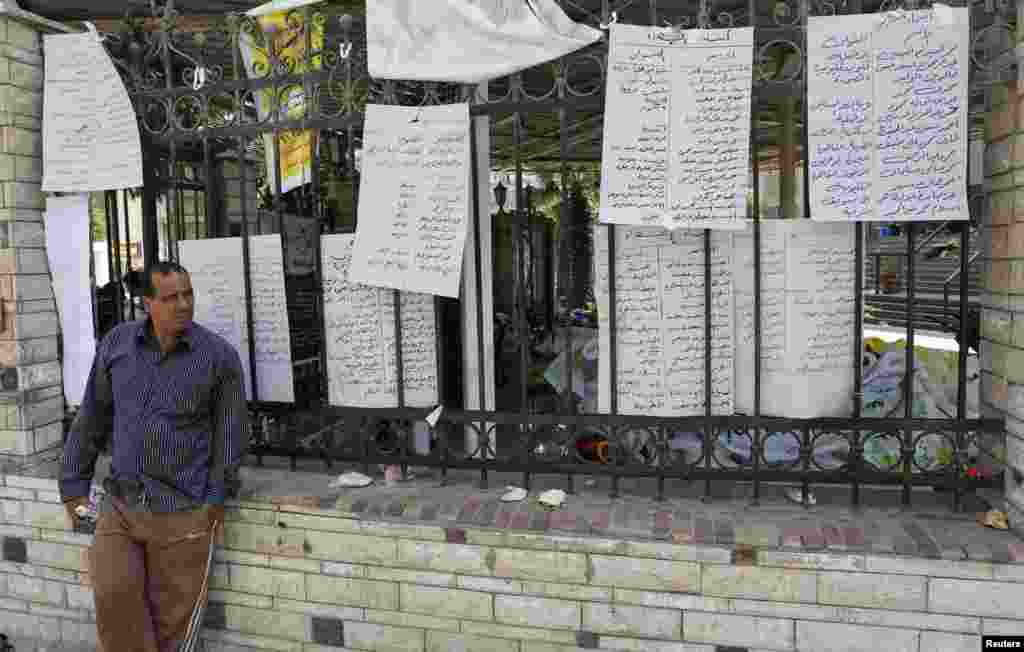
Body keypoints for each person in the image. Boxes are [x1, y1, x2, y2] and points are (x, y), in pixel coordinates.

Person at [60, 260, 249, 652]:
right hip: (121, 506)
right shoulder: (117, 345)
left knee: (173, 630)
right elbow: (92, 415)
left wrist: (214, 498)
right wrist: (73, 485)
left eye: (188, 295)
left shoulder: (218, 357)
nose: (183, 305)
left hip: (183, 510)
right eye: (171, 297)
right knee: (115, 608)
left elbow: (231, 433)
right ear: (147, 301)